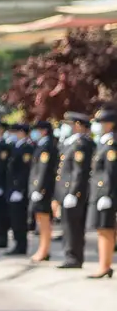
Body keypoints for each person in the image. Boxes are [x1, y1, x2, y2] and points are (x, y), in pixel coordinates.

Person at [55, 112, 93, 269]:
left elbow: (79, 171)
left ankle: (74, 257)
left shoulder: (81, 144)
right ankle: (70, 254)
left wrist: (73, 192)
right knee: (67, 225)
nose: (68, 128)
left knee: (74, 226)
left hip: (74, 192)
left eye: (70, 125)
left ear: (78, 125)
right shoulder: (70, 143)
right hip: (65, 191)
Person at [89, 106, 115, 279]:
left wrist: (106, 193)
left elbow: (110, 172)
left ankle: (105, 266)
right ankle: (103, 264)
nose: (98, 126)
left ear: (110, 124)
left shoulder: (112, 144)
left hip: (106, 194)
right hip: (99, 193)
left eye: (102, 122)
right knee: (101, 229)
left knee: (105, 229)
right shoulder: (103, 143)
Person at [28, 120, 57, 262]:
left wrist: (39, 189)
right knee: (40, 219)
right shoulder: (41, 144)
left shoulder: (47, 146)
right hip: (38, 188)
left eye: (37, 130)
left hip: (43, 190)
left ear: (44, 131)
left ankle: (44, 250)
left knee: (44, 221)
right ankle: (42, 248)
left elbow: (44, 171)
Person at [3, 123, 31, 256]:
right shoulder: (15, 146)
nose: (12, 135)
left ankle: (21, 245)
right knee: (14, 219)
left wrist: (19, 189)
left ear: (21, 132)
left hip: (19, 190)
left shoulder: (27, 148)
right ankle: (17, 243)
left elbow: (24, 171)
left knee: (20, 219)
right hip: (12, 188)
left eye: (14, 132)